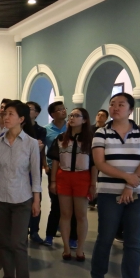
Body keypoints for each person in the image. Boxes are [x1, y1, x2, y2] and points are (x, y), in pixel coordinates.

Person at [90, 92, 140, 278]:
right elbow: (100, 163)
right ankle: (98, 277)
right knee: (106, 237)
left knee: (134, 242)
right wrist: (127, 177)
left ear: (130, 110)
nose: (115, 107)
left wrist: (130, 185)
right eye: (112, 104)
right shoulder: (101, 132)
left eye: (121, 104)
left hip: (137, 193)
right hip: (109, 192)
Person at [0, 101, 41, 278]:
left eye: (11, 114)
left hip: (22, 198)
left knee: (18, 243)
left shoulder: (30, 143)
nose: (6, 117)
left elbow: (35, 174)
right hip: (0, 198)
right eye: (5, 114)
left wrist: (36, 200)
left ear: (21, 118)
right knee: (4, 242)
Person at [47, 108, 97, 261]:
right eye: (71, 115)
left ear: (85, 120)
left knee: (81, 215)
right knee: (65, 214)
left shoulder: (91, 140)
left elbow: (94, 164)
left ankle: (80, 249)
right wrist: (53, 181)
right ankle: (66, 248)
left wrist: (93, 184)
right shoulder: (61, 138)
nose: (72, 118)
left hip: (83, 177)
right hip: (64, 177)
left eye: (76, 116)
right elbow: (55, 161)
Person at [43, 101, 78, 249]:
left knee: (74, 207)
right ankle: (49, 235)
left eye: (64, 108)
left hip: (72, 171)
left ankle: (73, 238)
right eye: (59, 110)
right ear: (52, 114)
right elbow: (42, 150)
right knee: (56, 205)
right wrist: (45, 165)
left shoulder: (72, 128)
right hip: (54, 170)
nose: (63, 111)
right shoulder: (46, 130)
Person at [27, 101, 47, 244]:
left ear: (37, 113)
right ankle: (22, 230)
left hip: (34, 168)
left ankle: (34, 231)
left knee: (36, 198)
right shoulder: (19, 128)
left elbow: (39, 148)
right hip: (19, 169)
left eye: (30, 109)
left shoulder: (40, 130)